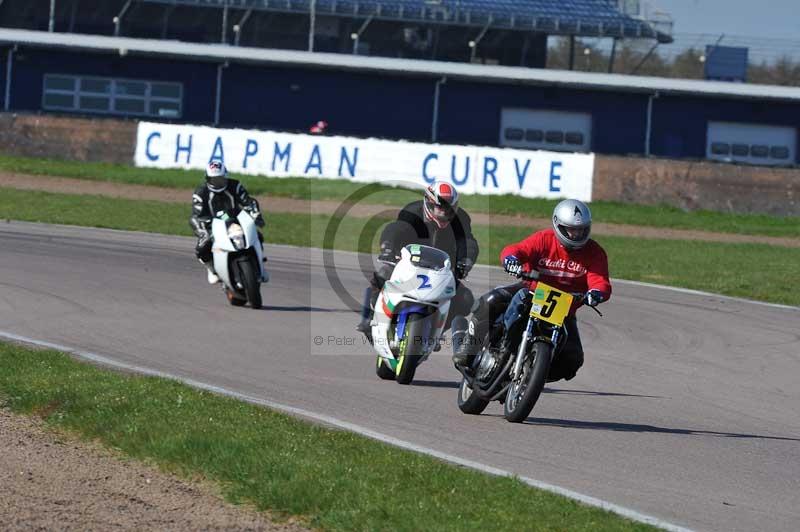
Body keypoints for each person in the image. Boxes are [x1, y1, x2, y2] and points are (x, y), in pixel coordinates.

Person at [451, 198, 611, 382]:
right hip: (531, 291)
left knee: (573, 359)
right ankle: (469, 347)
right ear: (558, 225)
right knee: (491, 300)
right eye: (571, 229)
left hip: (565, 309)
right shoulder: (544, 239)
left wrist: (597, 293)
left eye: (581, 229)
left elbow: (600, 280)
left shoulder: (595, 252)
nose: (577, 234)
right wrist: (511, 259)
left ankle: (531, 377)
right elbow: (517, 249)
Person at [357, 180, 479, 336]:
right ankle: (369, 318)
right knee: (384, 273)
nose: (443, 213)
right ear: (428, 202)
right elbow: (396, 229)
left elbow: (467, 242)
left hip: (441, 270)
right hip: (407, 264)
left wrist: (465, 261)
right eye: (439, 208)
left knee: (466, 299)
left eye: (449, 210)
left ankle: (437, 331)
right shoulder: (413, 211)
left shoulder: (461, 218)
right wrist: (388, 247)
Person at [189, 161, 265, 284]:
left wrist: (256, 215)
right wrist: (204, 230)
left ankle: (260, 265)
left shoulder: (235, 185)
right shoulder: (200, 192)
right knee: (203, 247)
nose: (218, 183)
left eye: (221, 179)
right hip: (213, 223)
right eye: (214, 180)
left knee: (258, 236)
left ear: (226, 176)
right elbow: (197, 215)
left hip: (236, 220)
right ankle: (211, 269)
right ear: (207, 179)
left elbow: (249, 202)